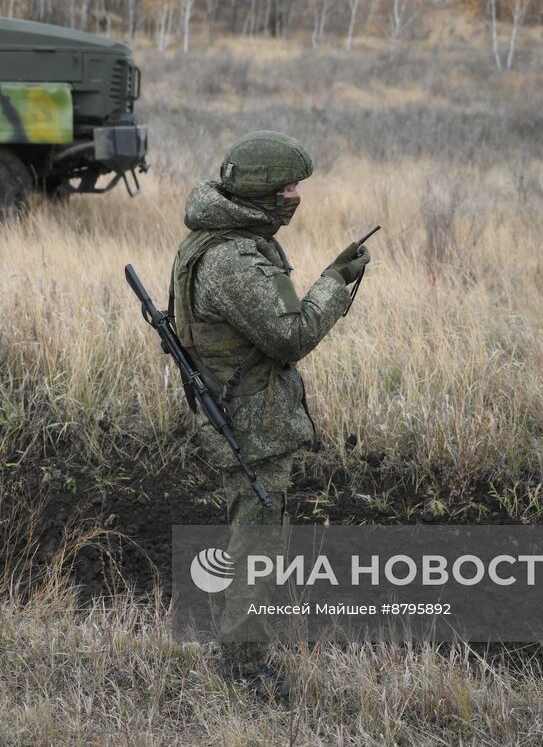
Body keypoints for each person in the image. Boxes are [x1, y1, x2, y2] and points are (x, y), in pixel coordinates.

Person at [169, 130, 370, 697]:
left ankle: (245, 651)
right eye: (287, 187)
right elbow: (293, 334)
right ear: (260, 193)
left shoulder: (221, 240)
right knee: (257, 548)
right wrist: (335, 283)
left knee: (259, 539)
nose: (295, 196)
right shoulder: (233, 259)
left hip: (244, 414)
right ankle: (244, 667)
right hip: (250, 424)